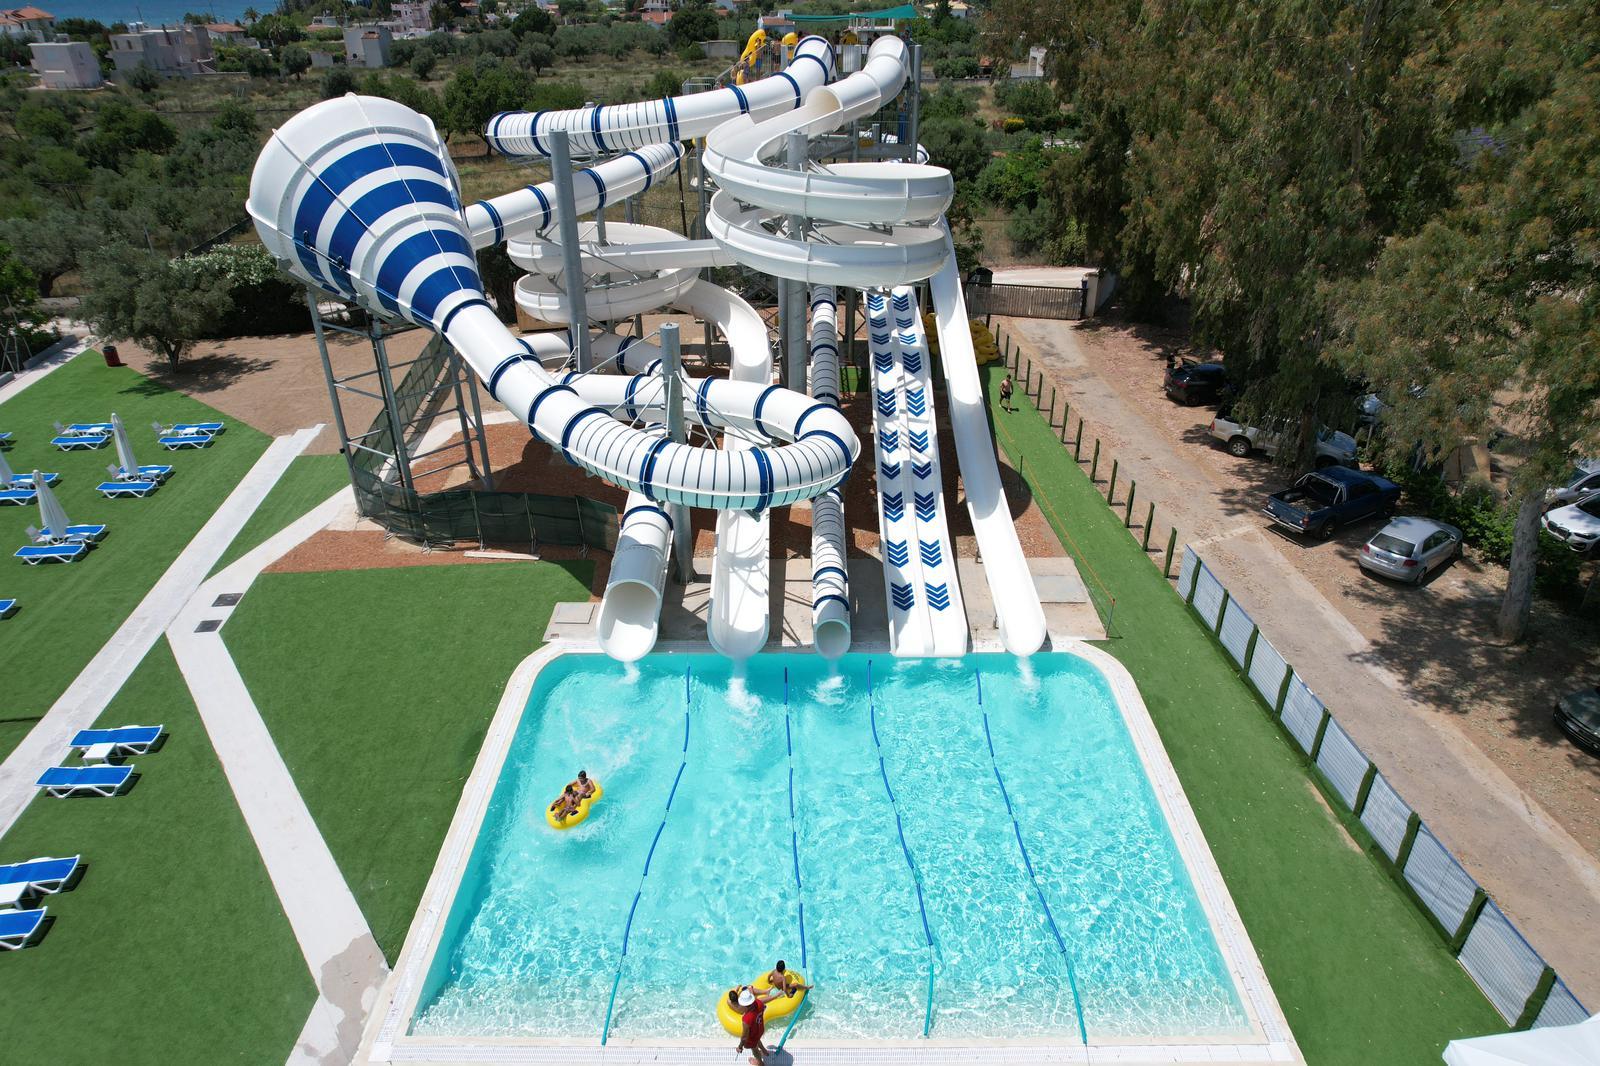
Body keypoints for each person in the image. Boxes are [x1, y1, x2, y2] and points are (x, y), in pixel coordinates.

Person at [734, 986, 769, 1065]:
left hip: (752, 1036)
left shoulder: (746, 1019)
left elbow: (744, 1037)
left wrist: (740, 1047)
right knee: (757, 1039)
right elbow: (763, 1008)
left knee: (754, 1049)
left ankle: (760, 1063)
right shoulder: (759, 1003)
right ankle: (764, 1050)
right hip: (760, 1028)